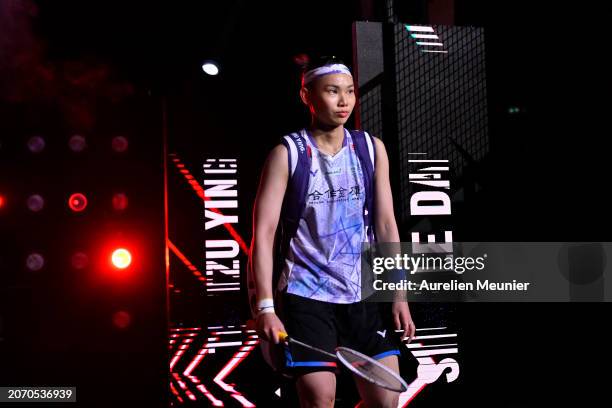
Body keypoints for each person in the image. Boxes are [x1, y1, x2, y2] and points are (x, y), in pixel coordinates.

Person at [249, 55, 415, 408]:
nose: (344, 101)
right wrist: (264, 306)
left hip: (363, 296)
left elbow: (386, 224)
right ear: (307, 96)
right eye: (332, 91)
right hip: (306, 297)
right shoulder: (288, 153)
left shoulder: (371, 148)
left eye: (350, 91)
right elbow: (263, 234)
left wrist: (400, 294)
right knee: (319, 401)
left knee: (386, 403)